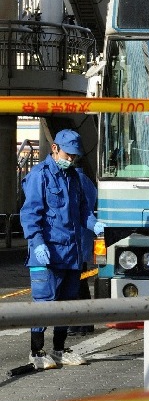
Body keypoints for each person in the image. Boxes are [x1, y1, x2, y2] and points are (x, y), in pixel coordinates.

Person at [20, 129, 105, 370]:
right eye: (69, 155)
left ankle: (58, 350)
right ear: (55, 148)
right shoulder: (40, 176)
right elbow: (30, 215)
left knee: (67, 305)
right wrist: (37, 244)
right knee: (45, 303)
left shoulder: (74, 178)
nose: (72, 160)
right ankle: (36, 352)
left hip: (71, 254)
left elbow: (82, 212)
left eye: (75, 157)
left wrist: (94, 223)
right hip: (45, 253)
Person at [67, 167, 98, 336]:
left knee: (75, 284)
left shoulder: (73, 180)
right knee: (81, 282)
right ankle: (85, 323)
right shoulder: (87, 181)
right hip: (83, 237)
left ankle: (80, 323)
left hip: (73, 239)